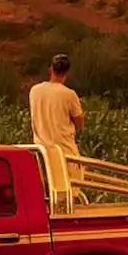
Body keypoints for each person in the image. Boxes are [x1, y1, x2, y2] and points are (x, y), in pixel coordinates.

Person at [28, 53, 85, 181]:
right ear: (67, 73)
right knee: (70, 195)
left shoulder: (34, 91)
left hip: (42, 155)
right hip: (64, 154)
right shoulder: (69, 94)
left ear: (50, 70)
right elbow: (80, 124)